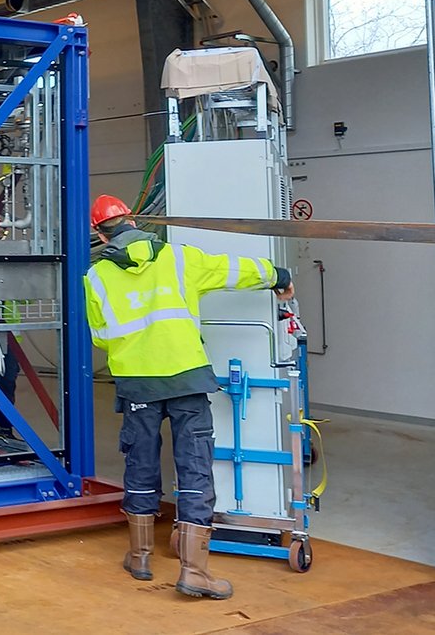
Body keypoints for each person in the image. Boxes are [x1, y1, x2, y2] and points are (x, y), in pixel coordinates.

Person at [84, 195, 294, 600]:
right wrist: (277, 274)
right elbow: (235, 270)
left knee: (141, 462)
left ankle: (140, 556)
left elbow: (100, 336)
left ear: (99, 233)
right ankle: (195, 570)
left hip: (137, 383)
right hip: (187, 378)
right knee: (194, 466)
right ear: (132, 219)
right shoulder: (179, 258)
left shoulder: (95, 278)